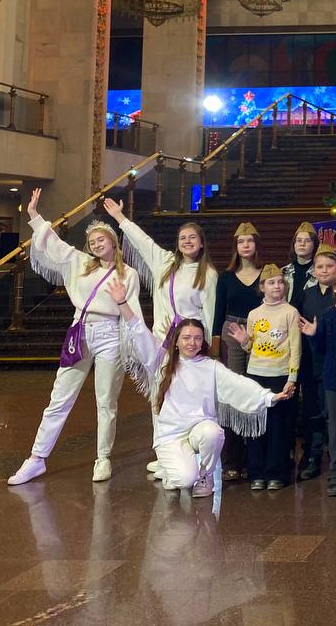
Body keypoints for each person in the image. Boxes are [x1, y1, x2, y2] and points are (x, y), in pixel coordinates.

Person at [8, 189, 141, 486]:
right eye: (92, 241)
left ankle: (103, 458)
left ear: (113, 242)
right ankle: (37, 458)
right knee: (60, 396)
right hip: (80, 331)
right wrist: (34, 216)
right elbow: (54, 245)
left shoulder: (128, 274)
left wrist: (137, 345)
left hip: (110, 334)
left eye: (101, 240)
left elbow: (132, 313)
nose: (96, 244)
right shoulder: (80, 262)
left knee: (106, 400)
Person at [113, 280, 291, 497]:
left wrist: (269, 397)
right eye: (186, 338)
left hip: (200, 428)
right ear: (176, 341)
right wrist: (122, 303)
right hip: (171, 434)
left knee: (214, 433)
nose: (192, 343)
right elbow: (140, 331)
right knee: (184, 480)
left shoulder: (210, 366)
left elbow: (238, 384)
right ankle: (175, 470)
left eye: (197, 338)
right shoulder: (161, 361)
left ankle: (205, 476)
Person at [102, 197, 218, 482]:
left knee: (185, 403)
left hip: (189, 347)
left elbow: (210, 315)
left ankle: (187, 456)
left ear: (201, 244)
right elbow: (142, 241)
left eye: (192, 238)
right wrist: (120, 218)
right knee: (159, 399)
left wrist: (205, 348)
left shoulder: (208, 274)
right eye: (183, 238)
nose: (187, 241)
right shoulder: (165, 263)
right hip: (161, 344)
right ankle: (165, 456)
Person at [224, 264, 301, 491]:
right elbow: (252, 347)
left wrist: (292, 378)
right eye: (271, 282)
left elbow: (295, 348)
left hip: (280, 376)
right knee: (257, 426)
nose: (277, 286)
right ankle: (257, 472)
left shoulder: (290, 312)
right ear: (262, 287)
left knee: (279, 428)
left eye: (280, 282)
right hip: (256, 375)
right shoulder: (254, 314)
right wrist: (243, 341)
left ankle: (276, 473)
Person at [298, 262, 336, 497]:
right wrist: (313, 336)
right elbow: (320, 349)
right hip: (333, 379)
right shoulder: (327, 316)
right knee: (335, 428)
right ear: (334, 288)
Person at [214, 223, 263, 481]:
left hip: (259, 331)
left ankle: (254, 457)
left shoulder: (266, 274)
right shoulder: (226, 277)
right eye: (241, 241)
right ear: (235, 246)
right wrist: (215, 347)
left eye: (249, 241)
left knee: (255, 390)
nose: (245, 245)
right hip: (231, 332)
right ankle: (232, 459)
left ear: (256, 244)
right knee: (233, 394)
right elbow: (218, 311)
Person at [294, 244, 336, 482]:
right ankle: (312, 455)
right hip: (310, 361)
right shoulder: (307, 294)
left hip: (334, 361)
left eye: (329, 266)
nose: (324, 270)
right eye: (320, 266)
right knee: (312, 410)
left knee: (332, 412)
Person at [283, 222, 319, 306]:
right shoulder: (283, 272)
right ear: (294, 244)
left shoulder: (320, 272)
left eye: (307, 241)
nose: (302, 244)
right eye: (299, 240)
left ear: (315, 245)